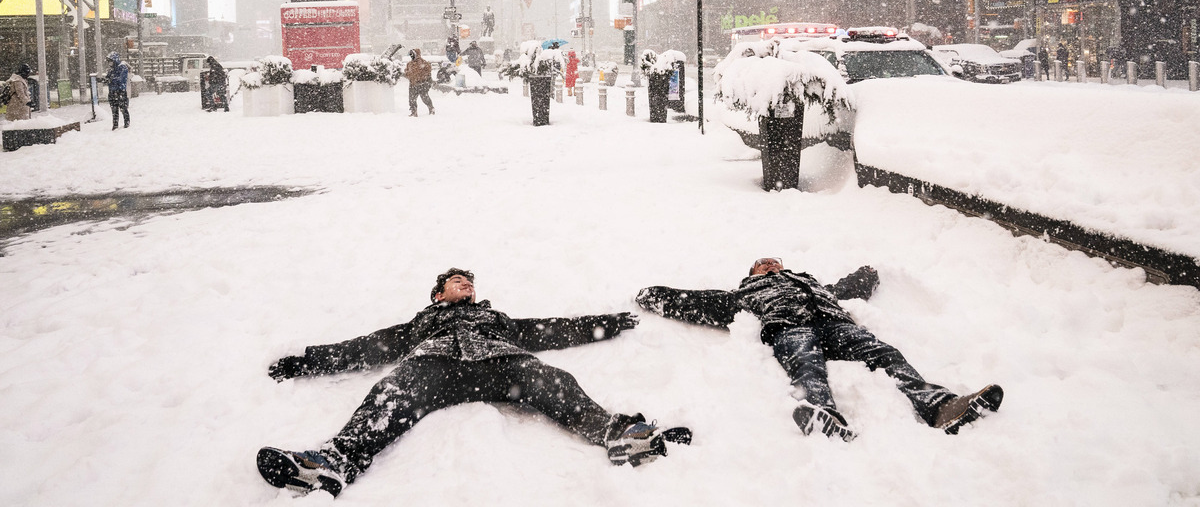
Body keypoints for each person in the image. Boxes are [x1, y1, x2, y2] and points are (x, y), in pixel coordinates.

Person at [257, 268, 689, 497]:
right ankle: (334, 462)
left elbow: (548, 329)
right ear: (438, 295)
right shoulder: (422, 324)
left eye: (469, 281)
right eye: (456, 281)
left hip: (502, 366)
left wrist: (605, 323)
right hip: (436, 368)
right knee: (393, 390)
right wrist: (307, 361)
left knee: (552, 378)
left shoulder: (495, 319)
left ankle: (620, 436)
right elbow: (371, 346)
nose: (466, 284)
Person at [636, 257, 1003, 442]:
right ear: (751, 275)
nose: (770, 264)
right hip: (790, 328)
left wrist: (869, 272)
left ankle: (940, 406)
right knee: (805, 363)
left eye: (775, 261)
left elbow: (850, 286)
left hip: (838, 326)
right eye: (762, 264)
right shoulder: (744, 295)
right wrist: (652, 296)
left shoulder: (815, 285)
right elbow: (696, 302)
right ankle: (823, 413)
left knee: (885, 353)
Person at [404, 48, 434, 117]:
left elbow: (428, 71)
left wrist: (425, 79)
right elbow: (406, 72)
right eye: (410, 55)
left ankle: (431, 108)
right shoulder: (409, 64)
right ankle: (413, 111)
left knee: (424, 98)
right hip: (412, 84)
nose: (411, 56)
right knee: (411, 99)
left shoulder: (423, 62)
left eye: (412, 55)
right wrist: (408, 74)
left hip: (422, 84)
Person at [103, 51, 131, 130]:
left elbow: (121, 80)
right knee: (114, 110)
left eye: (110, 61)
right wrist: (103, 80)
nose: (109, 63)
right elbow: (108, 78)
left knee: (123, 109)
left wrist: (111, 80)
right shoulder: (111, 70)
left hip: (120, 91)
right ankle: (115, 125)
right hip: (112, 92)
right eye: (109, 62)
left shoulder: (122, 67)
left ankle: (127, 123)